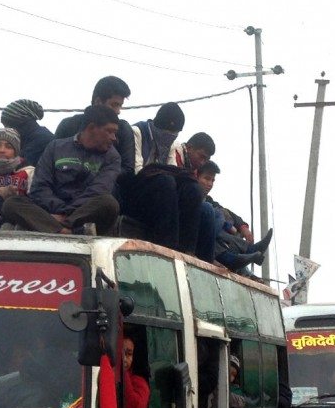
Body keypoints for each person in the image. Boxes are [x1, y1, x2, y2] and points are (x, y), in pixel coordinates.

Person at [1, 105, 121, 236]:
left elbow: (98, 190)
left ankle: (50, 227)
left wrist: (65, 214)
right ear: (91, 128)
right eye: (109, 131)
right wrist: (58, 209)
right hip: (50, 210)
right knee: (11, 203)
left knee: (109, 203)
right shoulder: (56, 147)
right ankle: (67, 232)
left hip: (83, 213)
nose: (114, 138)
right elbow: (40, 186)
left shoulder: (112, 157)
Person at [119, 102, 204, 254]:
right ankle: (167, 245)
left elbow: (175, 172)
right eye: (167, 132)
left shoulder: (170, 145)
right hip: (134, 193)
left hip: (161, 194)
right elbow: (136, 170)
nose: (170, 137)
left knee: (192, 189)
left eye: (174, 134)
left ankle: (187, 250)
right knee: (165, 181)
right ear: (157, 126)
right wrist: (161, 172)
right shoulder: (137, 132)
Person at [53, 75, 135, 195]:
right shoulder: (68, 125)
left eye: (120, 106)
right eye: (114, 105)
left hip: (105, 191)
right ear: (98, 102)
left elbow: (127, 170)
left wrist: (96, 174)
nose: (118, 111)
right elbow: (52, 160)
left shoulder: (123, 129)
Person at [195, 161, 271, 273]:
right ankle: (244, 252)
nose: (210, 184)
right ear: (196, 176)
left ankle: (245, 252)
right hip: (194, 241)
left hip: (209, 241)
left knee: (221, 217)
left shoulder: (209, 201)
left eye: (212, 180)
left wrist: (242, 227)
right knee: (217, 217)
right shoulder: (189, 195)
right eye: (206, 179)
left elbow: (228, 214)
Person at [0, 98, 54, 170]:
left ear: (21, 122)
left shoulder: (41, 139)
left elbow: (19, 169)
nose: (8, 130)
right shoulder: (27, 139)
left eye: (9, 124)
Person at [121, 335, 150, 408]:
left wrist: (122, 370)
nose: (124, 359)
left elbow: (134, 407)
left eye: (129, 354)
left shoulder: (138, 382)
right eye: (121, 353)